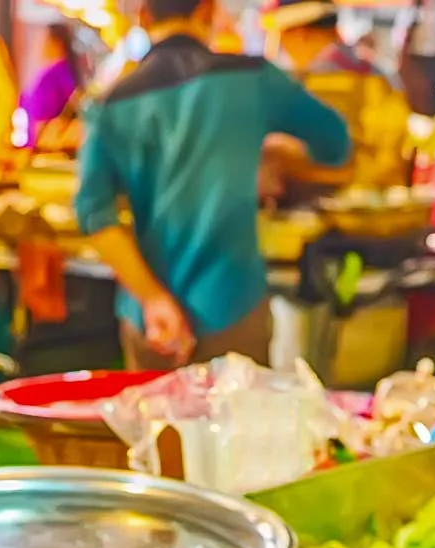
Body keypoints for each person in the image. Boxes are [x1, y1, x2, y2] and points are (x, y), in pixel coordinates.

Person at [75, 0, 350, 369]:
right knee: (237, 423)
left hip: (150, 319)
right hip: (232, 305)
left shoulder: (109, 105)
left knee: (156, 425)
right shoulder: (253, 79)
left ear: (143, 16)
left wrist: (153, 298)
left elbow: (93, 214)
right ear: (208, 11)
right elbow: (335, 145)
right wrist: (270, 152)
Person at [263, 0, 410, 190]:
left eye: (283, 40)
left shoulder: (308, 82)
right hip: (374, 203)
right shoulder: (377, 75)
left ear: (301, 34)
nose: (284, 50)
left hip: (337, 201)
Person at [19, 23, 82, 149]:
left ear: (56, 43)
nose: (40, 46)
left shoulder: (53, 74)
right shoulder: (70, 71)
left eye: (44, 41)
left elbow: (41, 115)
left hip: (47, 145)